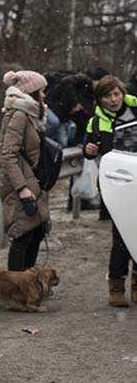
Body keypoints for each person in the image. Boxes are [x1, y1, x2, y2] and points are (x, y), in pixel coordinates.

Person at [83, 75, 137, 306]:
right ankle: (116, 286)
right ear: (100, 99)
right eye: (107, 96)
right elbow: (87, 150)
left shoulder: (135, 109)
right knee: (121, 237)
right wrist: (88, 149)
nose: (113, 100)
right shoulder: (95, 121)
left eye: (116, 94)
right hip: (115, 185)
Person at [0, 70, 50, 272]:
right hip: (22, 185)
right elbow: (7, 154)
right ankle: (15, 287)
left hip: (32, 180)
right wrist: (22, 188)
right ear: (32, 92)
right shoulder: (19, 114)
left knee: (36, 231)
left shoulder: (30, 113)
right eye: (42, 91)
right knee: (22, 234)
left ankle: (27, 282)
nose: (44, 96)